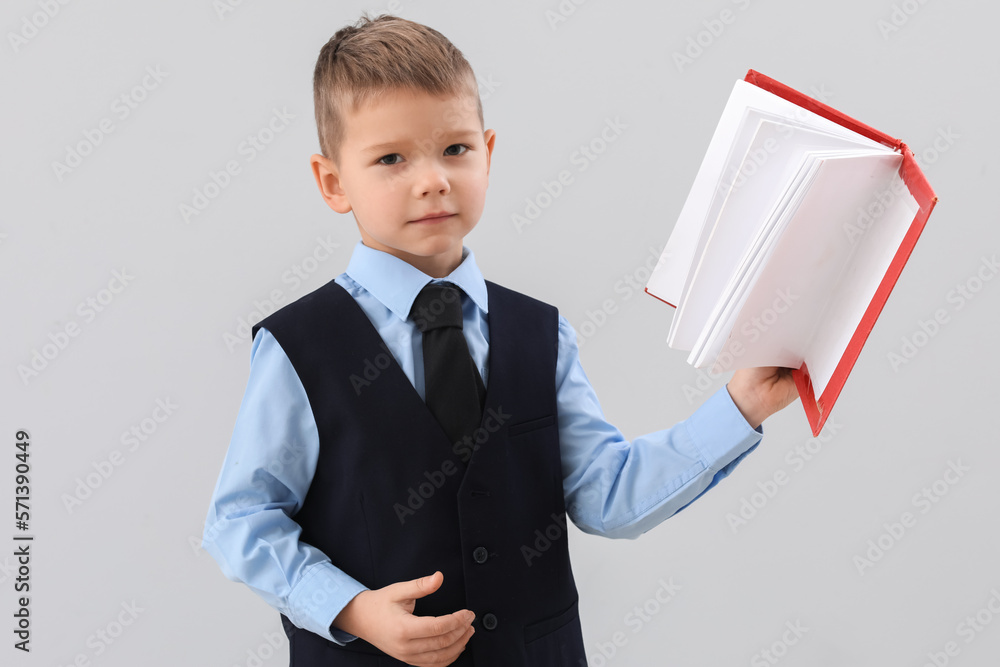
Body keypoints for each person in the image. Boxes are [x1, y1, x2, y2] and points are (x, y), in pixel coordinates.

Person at [201, 12, 798, 667]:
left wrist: (740, 406)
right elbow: (240, 520)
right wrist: (349, 606)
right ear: (333, 182)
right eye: (391, 158)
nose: (431, 178)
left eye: (454, 149)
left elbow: (609, 495)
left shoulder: (540, 333)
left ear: (488, 151)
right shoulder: (299, 346)